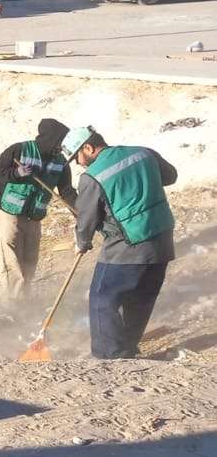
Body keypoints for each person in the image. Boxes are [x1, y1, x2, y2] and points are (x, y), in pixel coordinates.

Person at [64, 125, 178, 359]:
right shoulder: (144, 153)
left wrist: (82, 242)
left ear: (88, 147)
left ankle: (110, 356)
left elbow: (87, 218)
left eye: (76, 157)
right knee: (141, 298)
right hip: (162, 241)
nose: (78, 163)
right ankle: (128, 347)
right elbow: (170, 176)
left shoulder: (92, 176)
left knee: (102, 298)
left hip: (128, 246)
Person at [0, 118, 76, 302]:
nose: (62, 147)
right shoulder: (19, 150)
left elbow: (66, 191)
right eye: (60, 142)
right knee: (12, 265)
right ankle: (10, 309)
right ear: (50, 139)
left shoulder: (61, 162)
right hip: (10, 215)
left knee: (29, 264)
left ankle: (25, 306)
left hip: (34, 218)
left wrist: (80, 211)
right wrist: (16, 174)